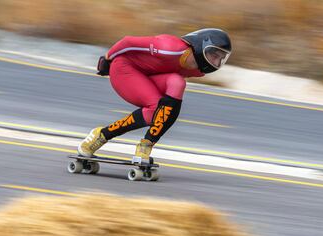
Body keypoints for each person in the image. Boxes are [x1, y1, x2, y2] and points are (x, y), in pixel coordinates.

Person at [77, 28, 232, 162]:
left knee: (177, 84)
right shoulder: (169, 47)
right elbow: (128, 42)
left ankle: (146, 145)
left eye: (221, 58)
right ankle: (102, 135)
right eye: (214, 54)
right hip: (124, 69)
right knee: (156, 110)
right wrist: (107, 59)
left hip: (148, 75)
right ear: (201, 45)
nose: (216, 62)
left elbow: (169, 86)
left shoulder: (197, 71)